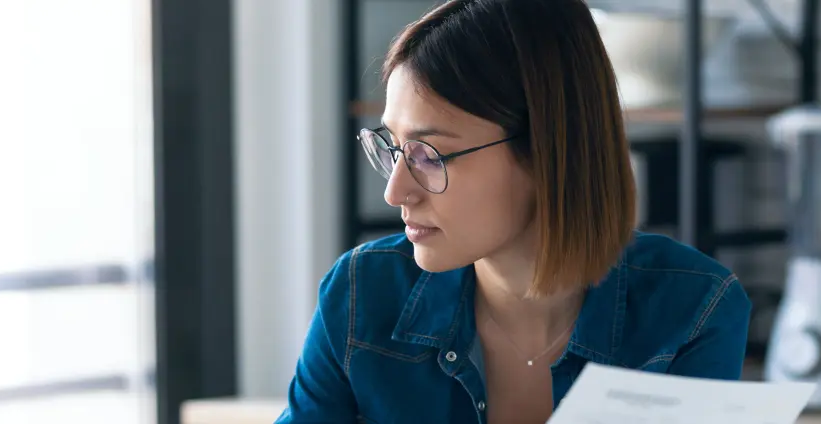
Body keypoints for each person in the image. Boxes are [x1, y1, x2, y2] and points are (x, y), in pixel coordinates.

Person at [277, 0, 751, 422]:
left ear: (547, 151)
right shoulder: (362, 294)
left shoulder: (694, 311)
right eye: (393, 149)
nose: (396, 192)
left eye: (428, 155)